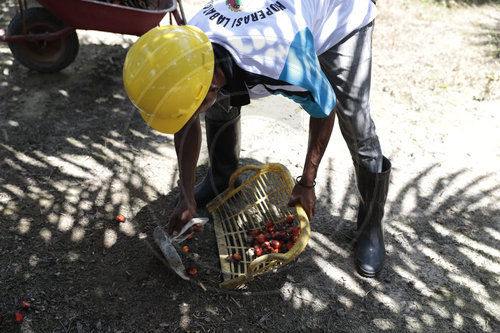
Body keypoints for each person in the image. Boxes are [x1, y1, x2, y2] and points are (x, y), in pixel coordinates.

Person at [123, 0, 391, 277]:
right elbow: (185, 118)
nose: (192, 114)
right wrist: (186, 196)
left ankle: (371, 224)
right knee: (213, 102)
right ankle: (221, 176)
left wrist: (307, 183)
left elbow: (325, 107)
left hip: (340, 15)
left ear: (213, 85)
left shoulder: (283, 62)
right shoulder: (190, 44)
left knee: (354, 117)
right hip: (277, 25)